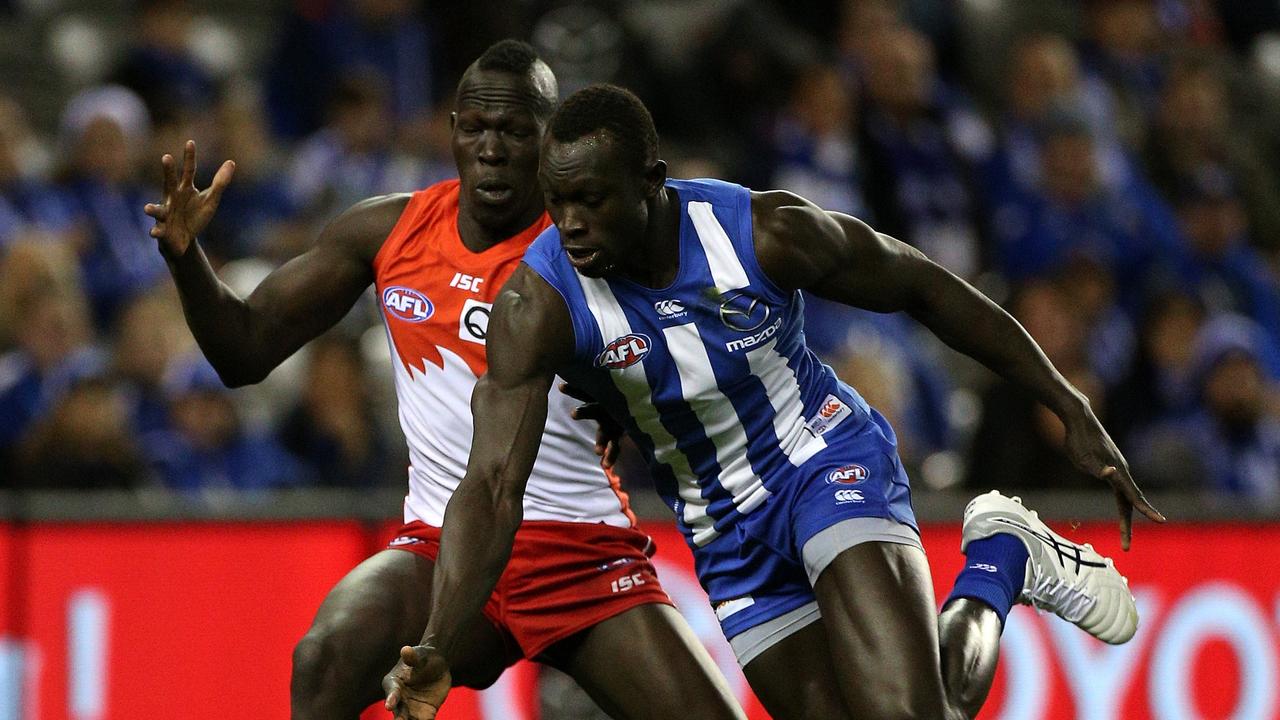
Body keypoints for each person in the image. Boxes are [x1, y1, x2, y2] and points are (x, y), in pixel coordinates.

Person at [385, 84, 1165, 720]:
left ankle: (1002, 557)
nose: (570, 224)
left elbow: (924, 287)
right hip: (724, 528)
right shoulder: (538, 305)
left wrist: (1067, 402)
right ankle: (1002, 558)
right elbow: (490, 488)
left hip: (821, 461)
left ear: (653, 184)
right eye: (558, 202)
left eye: (591, 200)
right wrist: (439, 645)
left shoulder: (762, 233)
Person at [143, 43, 744, 720]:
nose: (491, 149)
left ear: (548, 143)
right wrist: (188, 259)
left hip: (577, 551)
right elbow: (243, 352)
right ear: (451, 129)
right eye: (475, 129)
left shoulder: (593, 246)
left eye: (515, 132)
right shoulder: (388, 230)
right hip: (441, 546)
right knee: (324, 656)